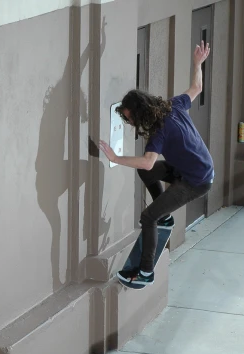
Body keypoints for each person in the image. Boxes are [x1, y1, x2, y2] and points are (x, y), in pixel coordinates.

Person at [98, 41, 214, 287]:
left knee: (147, 217)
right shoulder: (173, 105)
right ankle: (165, 217)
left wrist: (116, 158)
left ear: (140, 113)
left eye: (130, 118)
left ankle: (146, 271)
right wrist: (197, 63)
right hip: (195, 168)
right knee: (145, 176)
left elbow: (148, 162)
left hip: (196, 181)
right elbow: (197, 86)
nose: (130, 123)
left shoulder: (159, 131)